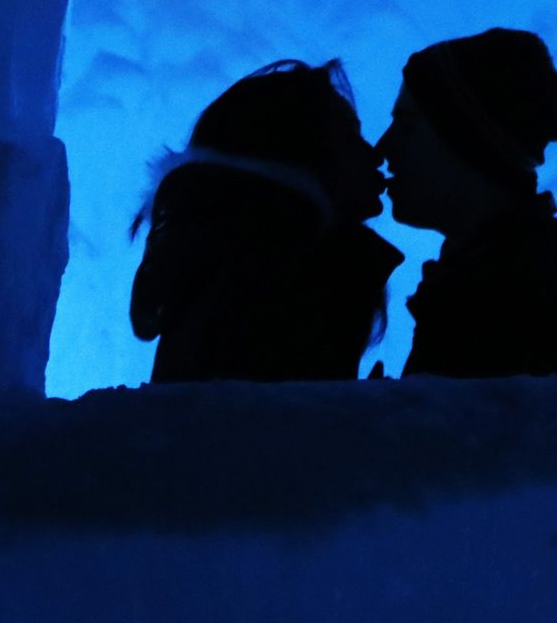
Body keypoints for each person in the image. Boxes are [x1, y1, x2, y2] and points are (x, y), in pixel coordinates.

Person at [129, 60, 404, 383]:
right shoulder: (297, 273)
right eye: (350, 137)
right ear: (298, 153)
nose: (375, 155)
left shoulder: (229, 256)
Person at [379, 29, 557, 378]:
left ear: (464, 144)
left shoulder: (519, 302)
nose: (384, 148)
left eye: (406, 127)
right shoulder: (501, 280)